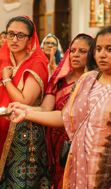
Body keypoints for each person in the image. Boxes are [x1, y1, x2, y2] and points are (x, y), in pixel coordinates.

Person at [10, 25, 111, 189]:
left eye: (110, 49)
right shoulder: (87, 80)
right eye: (99, 49)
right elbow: (64, 117)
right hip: (79, 163)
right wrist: (26, 113)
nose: (102, 54)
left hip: (106, 166)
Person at [0, 15, 51, 188]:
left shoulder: (36, 64)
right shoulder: (3, 63)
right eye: (10, 34)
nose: (14, 39)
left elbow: (25, 100)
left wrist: (6, 80)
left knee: (20, 182)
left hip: (23, 135)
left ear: (30, 39)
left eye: (20, 35)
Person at [41, 33, 93, 188]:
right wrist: (22, 108)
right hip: (57, 143)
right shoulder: (59, 80)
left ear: (92, 54)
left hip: (83, 144)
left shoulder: (96, 82)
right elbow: (45, 108)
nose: (75, 55)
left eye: (82, 51)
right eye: (73, 50)